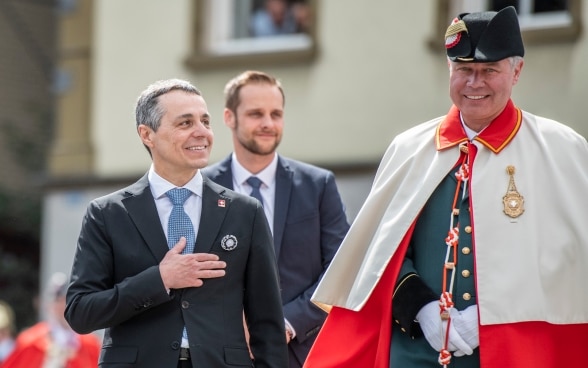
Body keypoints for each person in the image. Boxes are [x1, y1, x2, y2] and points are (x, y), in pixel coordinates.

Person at [304, 6, 588, 368]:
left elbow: (573, 260)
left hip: (517, 348)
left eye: (489, 71)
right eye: (464, 70)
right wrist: (420, 309)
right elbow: (381, 254)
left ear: (517, 71)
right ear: (449, 70)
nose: (475, 83)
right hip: (416, 349)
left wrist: (486, 315)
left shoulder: (561, 148)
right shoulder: (409, 148)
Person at [64, 79, 288, 367]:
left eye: (205, 121)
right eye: (185, 123)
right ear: (147, 134)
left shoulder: (244, 212)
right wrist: (160, 279)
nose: (202, 132)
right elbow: (81, 312)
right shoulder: (108, 213)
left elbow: (267, 323)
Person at [202, 70, 350, 368]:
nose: (268, 123)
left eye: (276, 114)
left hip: (301, 353)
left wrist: (286, 324)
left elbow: (341, 271)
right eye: (256, 114)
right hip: (222, 354)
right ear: (229, 117)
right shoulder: (200, 189)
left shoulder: (318, 186)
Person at [2, 272, 100, 368]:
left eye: (67, 300)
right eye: (58, 301)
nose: (63, 306)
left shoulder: (91, 344)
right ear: (48, 305)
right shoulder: (30, 341)